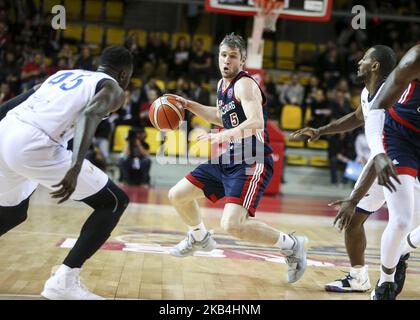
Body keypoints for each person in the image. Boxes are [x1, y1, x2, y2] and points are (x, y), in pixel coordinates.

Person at [167, 33, 308, 284]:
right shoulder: (223, 85)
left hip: (253, 157)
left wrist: (220, 137)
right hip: (231, 155)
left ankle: (292, 245)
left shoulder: (245, 84)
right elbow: (222, 117)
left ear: (242, 60)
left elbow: (256, 122)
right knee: (177, 195)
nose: (227, 60)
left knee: (232, 225)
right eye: (223, 55)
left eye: (233, 56)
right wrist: (189, 105)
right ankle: (199, 236)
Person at [0, 45, 133, 300]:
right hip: (34, 143)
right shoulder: (113, 88)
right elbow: (91, 114)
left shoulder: (63, 74)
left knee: (13, 212)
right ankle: (63, 282)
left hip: (6, 130)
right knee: (114, 202)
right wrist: (74, 166)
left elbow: (17, 101)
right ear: (124, 75)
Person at [290, 45, 412, 294]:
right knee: (360, 221)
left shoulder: (392, 97)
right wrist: (321, 131)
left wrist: (353, 198)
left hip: (395, 162)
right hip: (382, 164)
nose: (359, 62)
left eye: (365, 58)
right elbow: (357, 117)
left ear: (375, 65)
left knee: (397, 222)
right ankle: (365, 274)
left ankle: (395, 260)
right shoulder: (370, 93)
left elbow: (383, 154)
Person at [332, 44, 420, 300]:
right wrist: (379, 153)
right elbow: (376, 111)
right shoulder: (414, 59)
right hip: (399, 136)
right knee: (402, 219)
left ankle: (402, 250)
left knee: (408, 228)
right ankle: (385, 283)